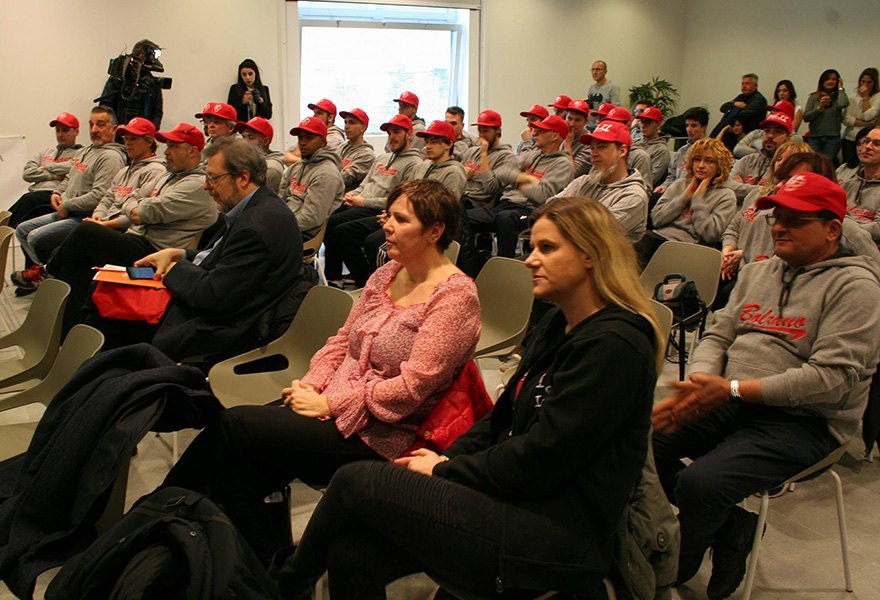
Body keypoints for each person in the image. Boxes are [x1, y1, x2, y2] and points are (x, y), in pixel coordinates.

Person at [271, 195, 663, 600]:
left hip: (557, 533)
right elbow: (499, 421)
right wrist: (448, 458)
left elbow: (544, 459)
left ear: (590, 255)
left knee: (358, 481)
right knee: (351, 552)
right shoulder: (557, 324)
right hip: (514, 496)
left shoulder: (616, 345)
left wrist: (445, 471)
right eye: (532, 247)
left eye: (547, 248)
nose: (530, 259)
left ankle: (286, 582)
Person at [158, 179, 481, 563]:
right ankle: (272, 570)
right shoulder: (387, 274)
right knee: (236, 480)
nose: (386, 226)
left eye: (400, 219)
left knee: (235, 426)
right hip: (332, 409)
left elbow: (412, 387)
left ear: (434, 231)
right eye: (387, 216)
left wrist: (329, 403)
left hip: (385, 434)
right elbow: (342, 342)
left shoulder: (454, 297)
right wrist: (308, 388)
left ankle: (155, 513)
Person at [652, 172, 880, 600]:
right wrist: (704, 380)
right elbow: (718, 334)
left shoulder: (858, 287)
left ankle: (675, 567)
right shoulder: (760, 271)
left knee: (701, 484)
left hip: (807, 420)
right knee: (640, 445)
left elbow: (829, 381)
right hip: (733, 397)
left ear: (833, 229)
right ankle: (735, 525)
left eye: (796, 220)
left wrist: (732, 388)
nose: (778, 226)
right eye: (777, 216)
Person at [120, 138, 303, 360]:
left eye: (213, 178)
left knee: (111, 318)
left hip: (225, 332)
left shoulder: (255, 226)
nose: (206, 187)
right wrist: (180, 253)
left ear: (243, 178)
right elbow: (226, 259)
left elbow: (212, 296)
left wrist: (173, 268)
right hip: (225, 311)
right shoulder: (258, 206)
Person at [42, 121, 217, 334]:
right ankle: (66, 336)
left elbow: (139, 212)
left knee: (84, 232)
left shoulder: (195, 184)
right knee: (74, 267)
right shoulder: (167, 175)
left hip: (153, 255)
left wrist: (135, 208)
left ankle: (46, 271)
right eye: (167, 146)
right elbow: (132, 199)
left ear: (192, 151)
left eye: (173, 146)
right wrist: (134, 207)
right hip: (135, 239)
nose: (167, 152)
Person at [339, 121, 468, 287]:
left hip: (425, 226)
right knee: (344, 231)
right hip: (406, 218)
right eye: (427, 141)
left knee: (375, 244)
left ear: (448, 144)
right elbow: (406, 197)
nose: (428, 146)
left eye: (434, 141)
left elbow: (443, 211)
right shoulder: (422, 166)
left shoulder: (454, 172)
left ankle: (383, 288)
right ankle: (368, 284)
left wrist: (399, 220)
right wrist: (392, 215)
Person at [13, 107, 125, 278]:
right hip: (66, 209)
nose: (94, 129)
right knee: (22, 230)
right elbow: (68, 178)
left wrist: (67, 204)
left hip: (83, 215)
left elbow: (98, 196)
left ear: (114, 129)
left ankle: (46, 274)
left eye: (100, 125)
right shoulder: (86, 151)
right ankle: (44, 274)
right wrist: (56, 193)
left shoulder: (110, 157)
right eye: (92, 124)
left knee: (35, 236)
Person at [323, 114, 422, 288]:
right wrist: (352, 195)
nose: (392, 136)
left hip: (379, 209)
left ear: (409, 134)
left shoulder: (414, 163)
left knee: (342, 231)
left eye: (397, 132)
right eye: (390, 133)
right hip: (360, 202)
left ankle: (365, 281)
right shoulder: (383, 158)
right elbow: (365, 183)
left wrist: (363, 201)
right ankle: (334, 276)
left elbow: (399, 201)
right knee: (330, 219)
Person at [467, 115, 573, 257]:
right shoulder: (532, 155)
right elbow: (502, 171)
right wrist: (526, 178)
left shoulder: (562, 164)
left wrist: (516, 182)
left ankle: (504, 267)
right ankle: (473, 265)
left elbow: (541, 195)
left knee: (506, 219)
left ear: (554, 136)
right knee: (461, 217)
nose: (535, 134)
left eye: (541, 131)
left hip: (530, 211)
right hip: (504, 206)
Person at [639, 138, 736, 264]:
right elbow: (657, 219)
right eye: (697, 159)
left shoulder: (726, 196)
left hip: (688, 249)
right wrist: (684, 198)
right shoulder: (681, 184)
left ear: (719, 166)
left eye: (709, 161)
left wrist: (697, 199)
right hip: (658, 238)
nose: (701, 165)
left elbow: (710, 235)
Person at [553, 121, 648, 243]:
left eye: (602, 147)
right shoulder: (584, 182)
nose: (594, 154)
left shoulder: (634, 196)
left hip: (606, 259)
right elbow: (549, 206)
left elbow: (596, 235)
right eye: (592, 148)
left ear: (622, 151)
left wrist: (569, 210)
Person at [8, 112, 82, 265]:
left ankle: (4, 225)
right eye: (58, 130)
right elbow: (27, 173)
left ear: (76, 131)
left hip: (55, 197)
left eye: (65, 130)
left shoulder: (81, 153)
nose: (60, 134)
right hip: (37, 198)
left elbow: (71, 167)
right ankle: (32, 270)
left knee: (29, 200)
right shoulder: (45, 152)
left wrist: (45, 167)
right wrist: (53, 176)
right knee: (26, 222)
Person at [279, 117, 344, 240]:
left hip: (302, 233)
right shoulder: (295, 168)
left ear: (323, 142)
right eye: (300, 138)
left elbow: (311, 219)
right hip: (285, 223)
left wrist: (278, 225)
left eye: (309, 137)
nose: (302, 142)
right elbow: (280, 200)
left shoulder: (327, 174)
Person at [728, 104, 793, 203]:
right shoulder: (747, 160)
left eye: (777, 132)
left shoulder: (787, 166)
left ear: (788, 138)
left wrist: (741, 187)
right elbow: (727, 185)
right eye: (767, 131)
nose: (770, 136)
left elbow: (773, 194)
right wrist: (761, 189)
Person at [96, 39, 166, 130]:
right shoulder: (118, 79)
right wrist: (112, 128)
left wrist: (151, 130)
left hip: (142, 134)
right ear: (141, 55)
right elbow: (105, 106)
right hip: (117, 131)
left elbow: (157, 112)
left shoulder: (152, 83)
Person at [655, 107, 708, 195]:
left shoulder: (710, 152)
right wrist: (664, 186)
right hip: (675, 194)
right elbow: (672, 176)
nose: (689, 130)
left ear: (703, 128)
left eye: (693, 125)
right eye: (687, 125)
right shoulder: (682, 151)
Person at [843, 125, 880, 246]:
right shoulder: (848, 184)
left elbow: (878, 230)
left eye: (877, 144)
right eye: (866, 141)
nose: (867, 147)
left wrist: (841, 231)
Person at [804, 69, 849, 163]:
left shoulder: (839, 96)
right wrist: (819, 108)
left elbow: (843, 104)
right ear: (822, 81)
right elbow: (806, 117)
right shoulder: (814, 97)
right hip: (815, 138)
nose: (831, 81)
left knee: (826, 165)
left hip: (832, 139)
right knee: (813, 163)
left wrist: (841, 88)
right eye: (828, 79)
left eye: (834, 79)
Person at [235, 117, 285, 192]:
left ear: (265, 141)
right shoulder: (246, 161)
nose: (245, 142)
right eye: (243, 137)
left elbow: (251, 198)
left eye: (251, 137)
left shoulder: (271, 168)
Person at [842, 68, 880, 165]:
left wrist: (865, 98)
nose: (865, 85)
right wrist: (866, 123)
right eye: (863, 81)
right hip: (850, 138)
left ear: (874, 83)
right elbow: (846, 119)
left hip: (867, 140)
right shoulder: (853, 96)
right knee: (848, 166)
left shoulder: (877, 97)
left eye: (869, 82)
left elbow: (868, 116)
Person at [338, 108, 376, 192]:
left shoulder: (367, 155)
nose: (346, 127)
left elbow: (344, 178)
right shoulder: (341, 148)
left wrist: (337, 169)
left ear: (363, 128)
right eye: (345, 122)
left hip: (347, 201)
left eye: (352, 122)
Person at [634, 106, 672, 188]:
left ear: (658, 125)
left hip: (643, 190)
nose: (643, 126)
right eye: (642, 122)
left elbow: (651, 179)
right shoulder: (637, 142)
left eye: (648, 122)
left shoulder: (661, 150)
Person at [563, 99, 593, 178]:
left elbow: (571, 174)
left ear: (585, 122)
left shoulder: (589, 143)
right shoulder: (559, 135)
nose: (572, 124)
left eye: (577, 120)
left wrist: (568, 145)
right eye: (569, 118)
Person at [587, 60, 621, 127]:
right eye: (593, 69)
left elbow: (616, 110)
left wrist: (597, 113)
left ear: (605, 71)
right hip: (590, 124)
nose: (594, 72)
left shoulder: (613, 88)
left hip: (604, 125)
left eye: (598, 69)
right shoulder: (591, 87)